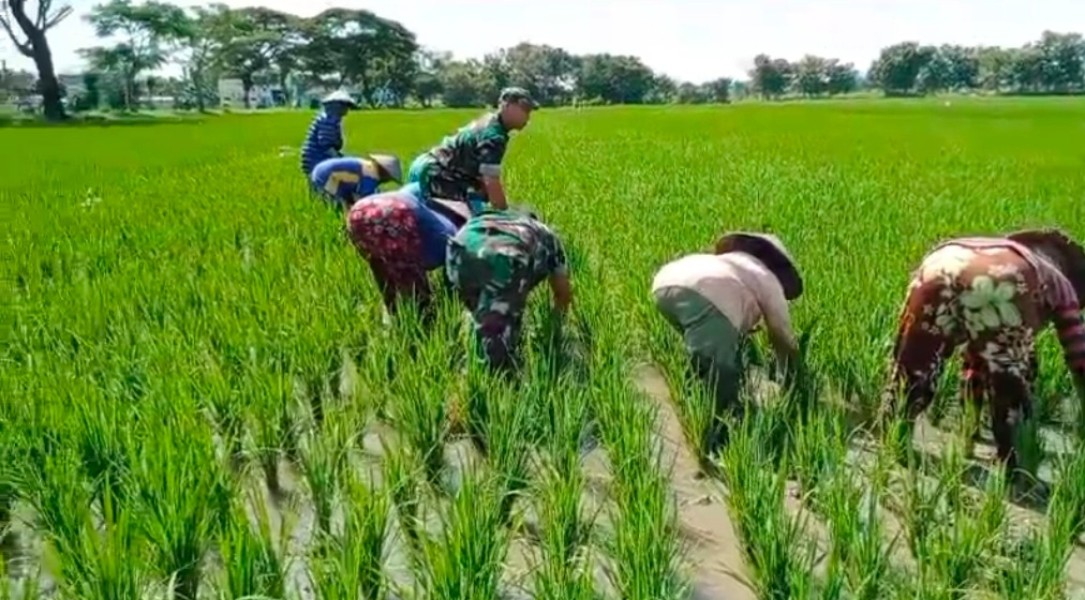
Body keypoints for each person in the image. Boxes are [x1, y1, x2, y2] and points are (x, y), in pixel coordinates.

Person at [881, 228, 1085, 474]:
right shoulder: (1060, 284)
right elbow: (1078, 357)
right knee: (1008, 374)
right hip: (1005, 280)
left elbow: (974, 358)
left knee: (915, 364)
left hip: (939, 263)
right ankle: (1010, 463)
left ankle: (893, 440)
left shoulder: (1003, 248)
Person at [651, 232, 805, 449]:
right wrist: (791, 379)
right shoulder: (767, 279)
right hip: (707, 292)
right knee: (722, 373)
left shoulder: (729, 263)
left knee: (704, 358)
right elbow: (782, 337)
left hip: (664, 286)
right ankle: (718, 437)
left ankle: (693, 405)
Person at [445, 207, 572, 373]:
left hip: (459, 250)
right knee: (495, 357)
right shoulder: (548, 237)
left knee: (478, 315)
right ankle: (479, 384)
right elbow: (563, 294)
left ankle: (468, 354)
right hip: (504, 259)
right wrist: (552, 331)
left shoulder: (489, 217)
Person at [345, 182, 471, 321]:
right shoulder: (452, 237)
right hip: (396, 213)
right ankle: (423, 319)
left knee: (379, 262)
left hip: (358, 211)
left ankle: (392, 310)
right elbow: (452, 279)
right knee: (411, 276)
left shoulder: (433, 214)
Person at [407, 87, 538, 215]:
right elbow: (491, 180)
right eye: (524, 109)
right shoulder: (494, 137)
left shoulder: (488, 120)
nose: (528, 116)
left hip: (423, 165)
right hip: (437, 174)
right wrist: (504, 218)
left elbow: (483, 178)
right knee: (462, 227)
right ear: (506, 105)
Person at [300, 90, 357, 179]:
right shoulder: (329, 120)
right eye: (344, 106)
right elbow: (325, 144)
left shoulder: (330, 118)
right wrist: (341, 159)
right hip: (316, 159)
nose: (346, 109)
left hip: (316, 158)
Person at [310, 154, 402, 208]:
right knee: (336, 207)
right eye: (388, 178)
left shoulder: (368, 165)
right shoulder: (371, 176)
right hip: (326, 176)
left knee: (344, 201)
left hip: (320, 169)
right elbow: (364, 201)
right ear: (384, 173)